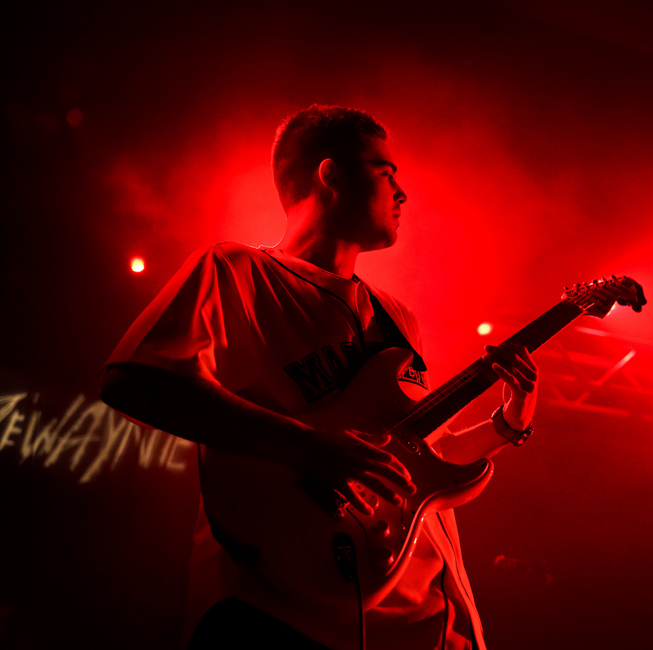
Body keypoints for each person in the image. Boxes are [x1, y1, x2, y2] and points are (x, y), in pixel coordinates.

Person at [99, 105, 538, 650]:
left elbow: (416, 455)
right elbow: (134, 379)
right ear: (330, 175)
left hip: (425, 621)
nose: (402, 192)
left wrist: (507, 423)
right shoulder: (236, 271)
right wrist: (309, 448)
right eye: (386, 172)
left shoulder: (399, 317)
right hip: (280, 609)